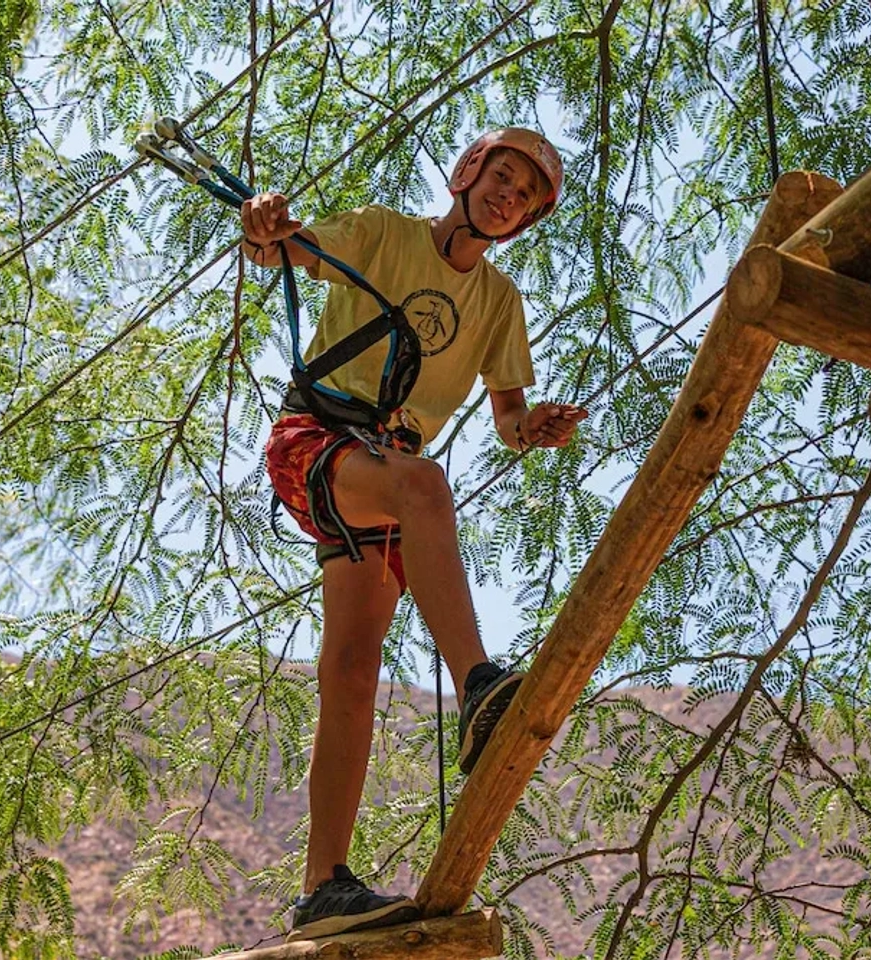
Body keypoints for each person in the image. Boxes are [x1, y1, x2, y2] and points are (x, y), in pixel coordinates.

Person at [241, 129, 587, 940]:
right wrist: (264, 228)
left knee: (352, 670)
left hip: (383, 478)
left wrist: (533, 426)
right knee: (425, 486)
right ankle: (479, 687)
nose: (507, 197)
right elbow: (286, 251)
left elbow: (507, 417)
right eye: (501, 177)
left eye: (523, 197)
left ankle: (322, 888)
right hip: (317, 440)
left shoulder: (499, 302)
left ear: (524, 221)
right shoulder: (382, 232)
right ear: (469, 173)